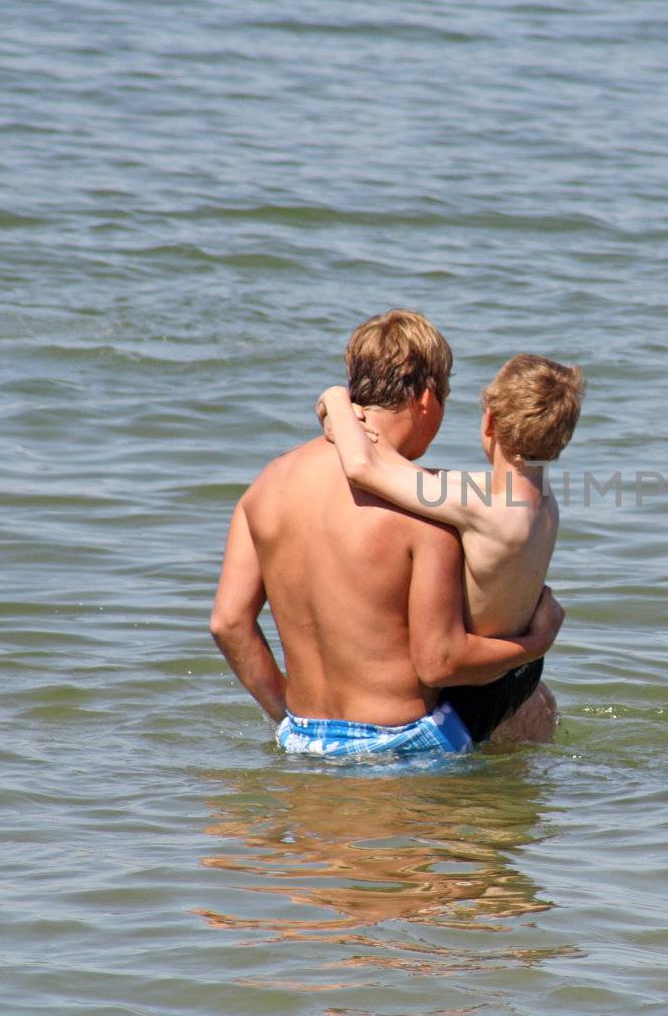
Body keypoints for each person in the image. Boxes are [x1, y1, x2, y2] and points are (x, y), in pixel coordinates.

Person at [209, 310, 565, 760]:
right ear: (427, 397)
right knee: (531, 706)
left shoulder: (266, 486)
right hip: (405, 748)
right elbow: (441, 657)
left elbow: (228, 623)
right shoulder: (426, 511)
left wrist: (289, 720)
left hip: (302, 737)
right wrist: (535, 643)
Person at [315, 351, 584, 745]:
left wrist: (336, 398)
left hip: (471, 691)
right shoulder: (542, 503)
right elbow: (441, 483)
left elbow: (362, 468)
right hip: (517, 679)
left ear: (490, 421)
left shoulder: (485, 507)